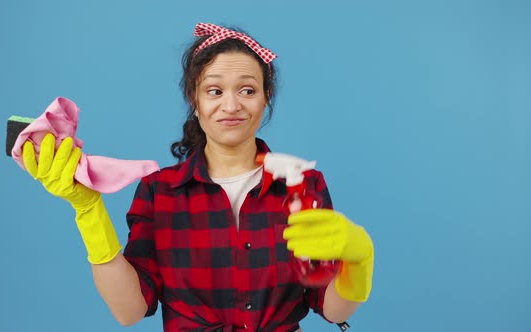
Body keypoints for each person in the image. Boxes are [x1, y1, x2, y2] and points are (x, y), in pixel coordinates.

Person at [21, 22, 374, 332]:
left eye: (248, 90)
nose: (232, 105)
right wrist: (89, 211)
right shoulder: (159, 192)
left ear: (266, 98)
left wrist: (359, 262)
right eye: (215, 91)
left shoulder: (303, 185)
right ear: (195, 99)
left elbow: (330, 307)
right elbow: (130, 311)